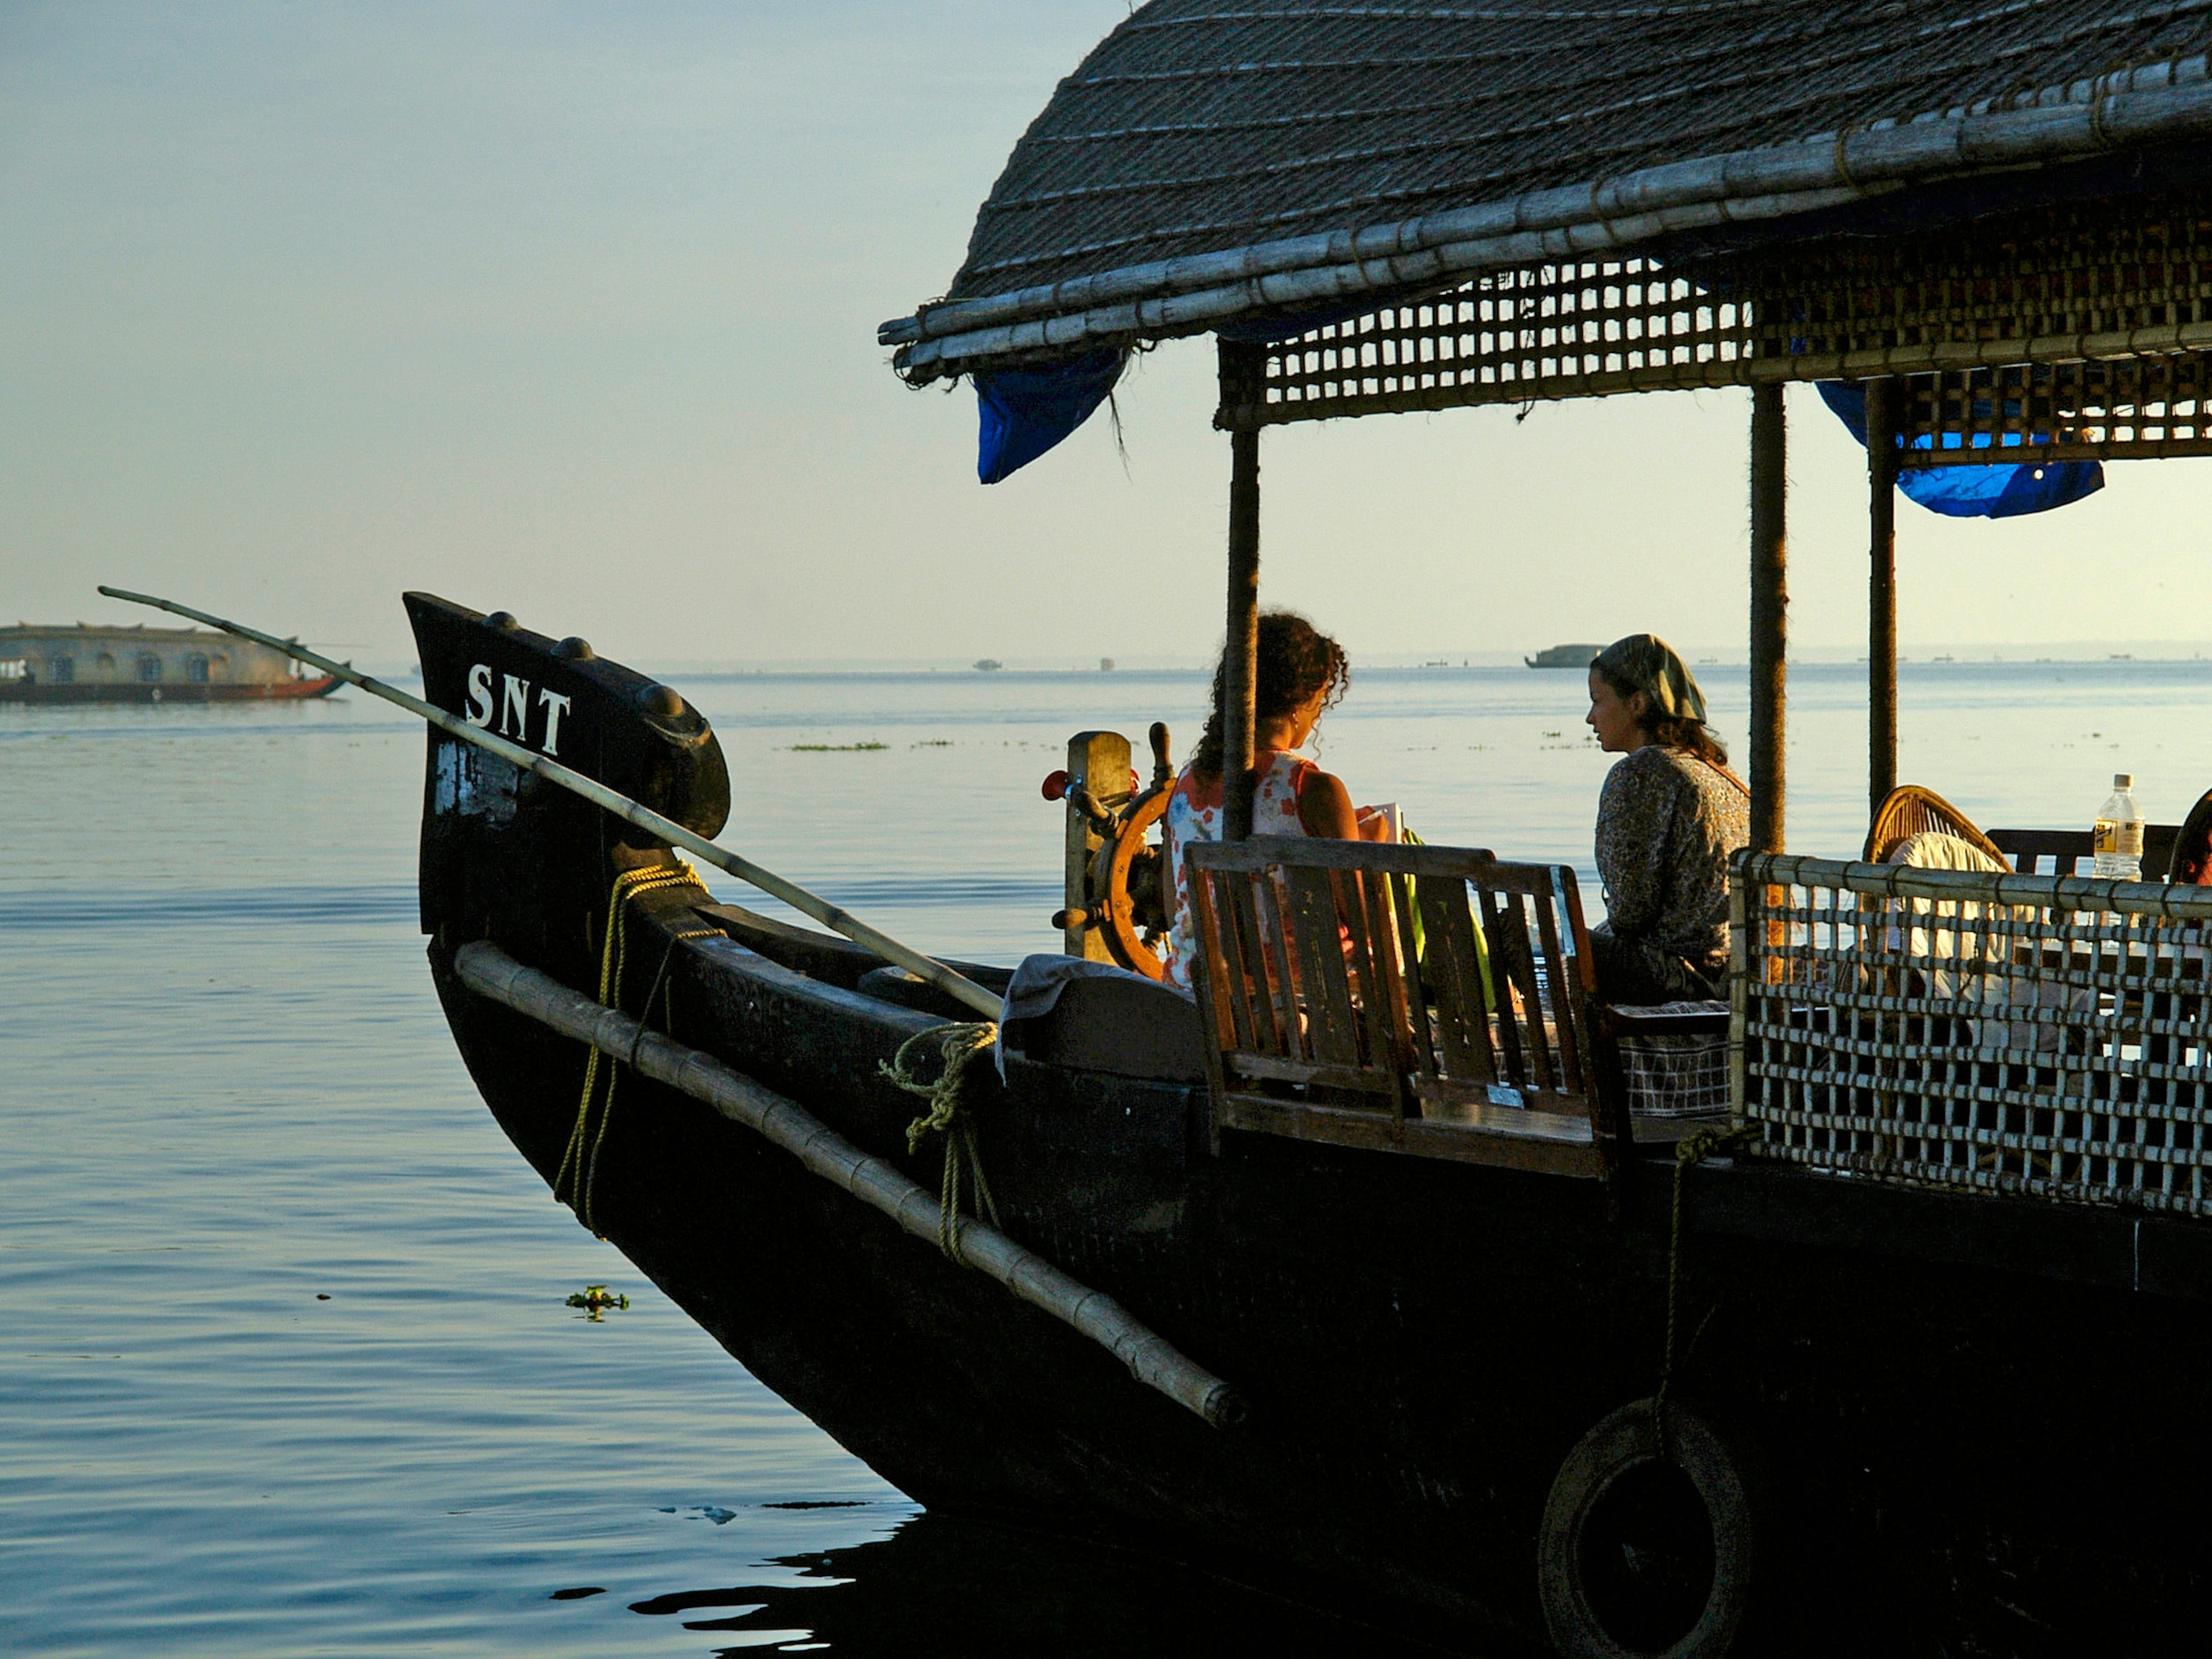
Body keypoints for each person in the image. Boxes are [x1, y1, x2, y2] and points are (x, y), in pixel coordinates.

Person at [1162, 611, 1370, 992]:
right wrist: (1376, 845)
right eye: (1322, 699)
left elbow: (1173, 905)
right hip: (1294, 997)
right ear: (1302, 700)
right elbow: (1362, 920)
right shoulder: (1316, 790)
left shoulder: (1186, 785)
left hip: (1195, 988)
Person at [1584, 634, 1749, 1004]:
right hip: (1733, 970)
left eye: (1598, 701)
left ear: (1637, 703)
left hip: (1679, 975)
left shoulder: (1641, 773)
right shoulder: (1721, 773)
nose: (1590, 717)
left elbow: (1630, 913)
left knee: (1521, 936)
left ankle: (1528, 1022)